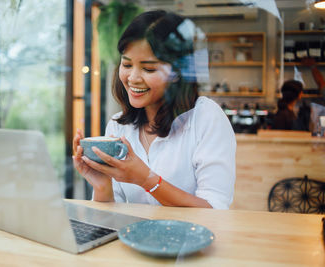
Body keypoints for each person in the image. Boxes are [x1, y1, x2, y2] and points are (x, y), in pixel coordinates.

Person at [73, 10, 236, 209]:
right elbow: (111, 215)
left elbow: (216, 210)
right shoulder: (118, 126)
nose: (132, 78)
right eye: (126, 64)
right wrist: (101, 186)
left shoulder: (206, 118)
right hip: (135, 239)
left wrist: (146, 179)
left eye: (148, 69)